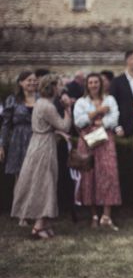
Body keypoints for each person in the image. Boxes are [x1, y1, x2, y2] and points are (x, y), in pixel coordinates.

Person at [11, 75, 72, 239]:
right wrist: (67, 108)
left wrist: (57, 132)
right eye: (58, 86)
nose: (61, 89)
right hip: (44, 148)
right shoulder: (48, 107)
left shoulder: (40, 103)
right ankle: (38, 227)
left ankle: (45, 223)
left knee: (45, 183)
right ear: (52, 87)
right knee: (45, 184)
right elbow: (64, 125)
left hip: (38, 144)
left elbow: (46, 126)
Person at [73, 73, 122, 231]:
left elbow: (114, 119)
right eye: (90, 82)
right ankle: (94, 215)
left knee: (108, 175)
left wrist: (101, 121)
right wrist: (98, 112)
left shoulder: (110, 99)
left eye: (96, 82)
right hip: (87, 141)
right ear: (86, 85)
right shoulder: (81, 102)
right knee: (89, 176)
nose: (94, 85)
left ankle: (106, 216)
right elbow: (79, 121)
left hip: (106, 141)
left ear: (101, 84)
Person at [0, 71, 38, 216]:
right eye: (29, 80)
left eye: (34, 80)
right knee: (21, 177)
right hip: (18, 141)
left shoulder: (41, 99)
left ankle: (34, 211)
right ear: (21, 83)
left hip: (37, 139)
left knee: (36, 176)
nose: (32, 83)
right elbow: (5, 125)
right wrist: (1, 144)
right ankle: (20, 212)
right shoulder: (13, 100)